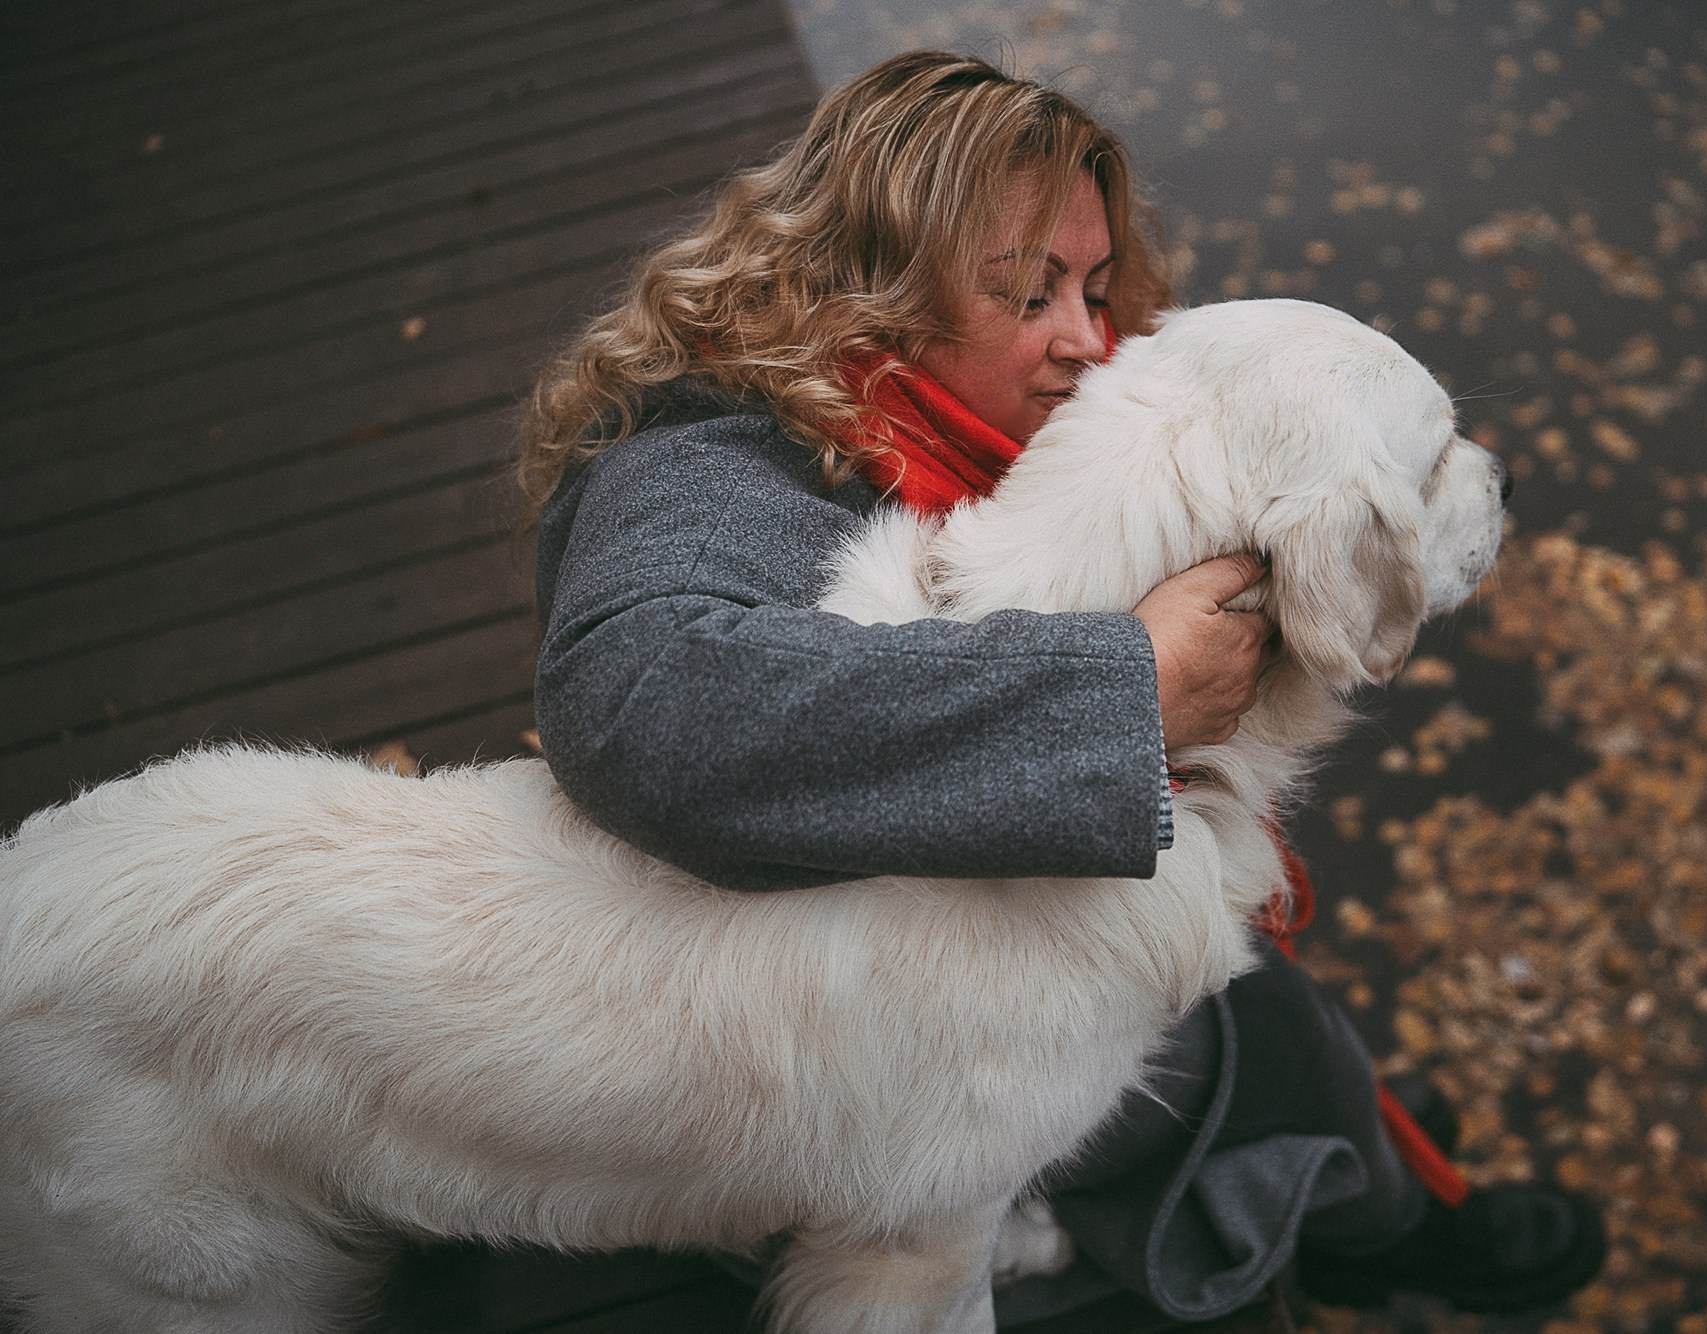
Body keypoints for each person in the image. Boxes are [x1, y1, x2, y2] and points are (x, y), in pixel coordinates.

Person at [519, 49, 1603, 1323]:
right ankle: (1382, 1217)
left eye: (1092, 284)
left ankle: (1345, 1154)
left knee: (1274, 1010)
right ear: (865, 283)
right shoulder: (706, 459)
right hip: (834, 1059)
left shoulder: (950, 420)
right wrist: (1122, 690)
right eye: (1031, 292)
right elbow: (644, 704)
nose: (1089, 341)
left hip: (931, 968)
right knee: (1269, 1044)